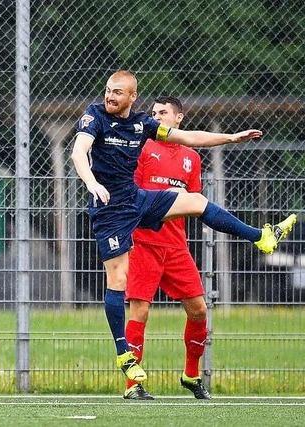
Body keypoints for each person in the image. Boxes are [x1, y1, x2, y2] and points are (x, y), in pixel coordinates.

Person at [70, 70, 296, 384]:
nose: (110, 96)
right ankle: (124, 354)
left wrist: (230, 139)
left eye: (118, 92)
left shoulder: (142, 125)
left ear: (133, 97)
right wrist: (92, 182)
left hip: (137, 199)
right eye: (108, 90)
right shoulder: (94, 116)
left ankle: (262, 237)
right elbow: (79, 151)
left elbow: (189, 137)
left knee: (196, 202)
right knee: (118, 280)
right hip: (110, 210)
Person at [123, 96, 209, 400]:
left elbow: (195, 202)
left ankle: (190, 374)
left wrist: (174, 203)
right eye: (154, 113)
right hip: (144, 243)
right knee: (140, 311)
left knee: (199, 310)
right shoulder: (143, 149)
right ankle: (132, 385)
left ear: (178, 119)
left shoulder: (191, 157)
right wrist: (159, 205)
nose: (156, 117)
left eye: (163, 113)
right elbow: (131, 194)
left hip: (176, 247)